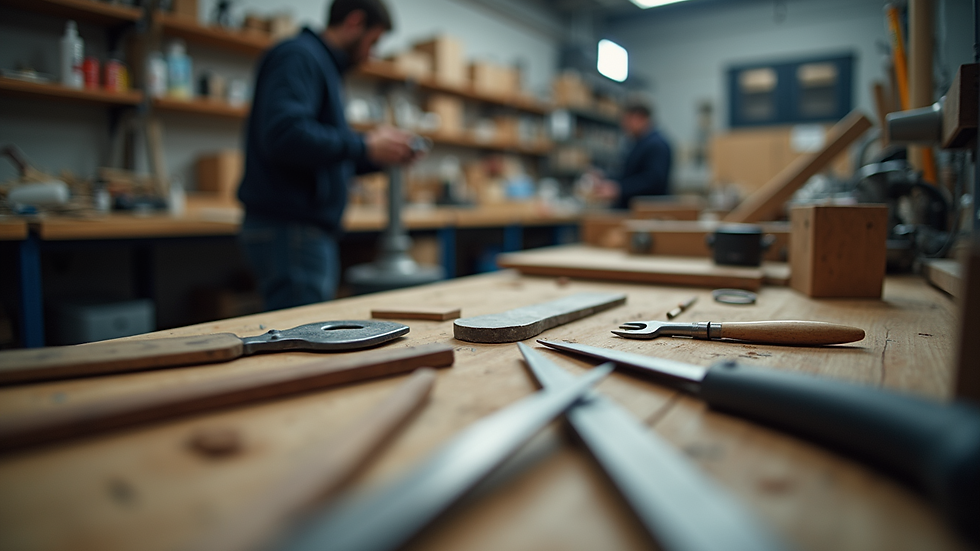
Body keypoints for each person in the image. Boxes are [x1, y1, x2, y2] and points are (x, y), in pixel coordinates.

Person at [237, 0, 416, 311]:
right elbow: (285, 135)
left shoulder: (320, 65)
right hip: (291, 231)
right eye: (373, 42)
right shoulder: (300, 56)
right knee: (301, 345)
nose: (371, 54)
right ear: (354, 23)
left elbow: (321, 156)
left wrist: (378, 154)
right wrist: (363, 145)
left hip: (299, 232)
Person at [594, 100, 672, 209]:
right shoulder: (640, 143)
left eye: (626, 119)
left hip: (646, 211)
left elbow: (654, 180)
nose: (623, 125)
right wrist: (607, 178)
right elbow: (631, 174)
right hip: (635, 209)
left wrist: (620, 189)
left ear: (638, 117)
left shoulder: (656, 145)